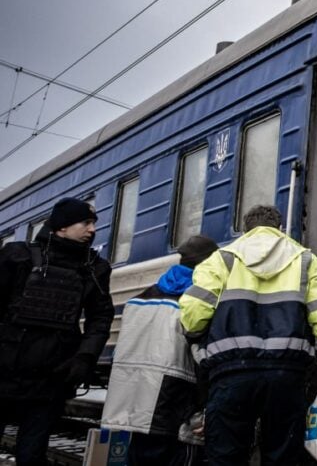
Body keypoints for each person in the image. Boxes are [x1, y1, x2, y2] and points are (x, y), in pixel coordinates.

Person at [179, 205, 317, 465]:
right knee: (282, 455)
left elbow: (193, 313)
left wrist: (195, 336)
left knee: (224, 455)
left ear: (246, 229)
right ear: (279, 228)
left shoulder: (221, 259)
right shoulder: (306, 260)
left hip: (230, 375)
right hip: (286, 376)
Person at [0, 197, 115, 465]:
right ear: (61, 227)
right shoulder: (17, 256)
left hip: (52, 376)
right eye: (85, 223)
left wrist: (85, 357)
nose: (92, 230)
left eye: (94, 224)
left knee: (32, 454)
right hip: (5, 370)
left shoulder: (95, 268)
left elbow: (101, 316)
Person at [101, 234, 220, 465]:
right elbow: (201, 362)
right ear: (209, 264)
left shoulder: (139, 300)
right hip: (176, 407)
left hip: (138, 406)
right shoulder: (197, 302)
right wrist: (203, 408)